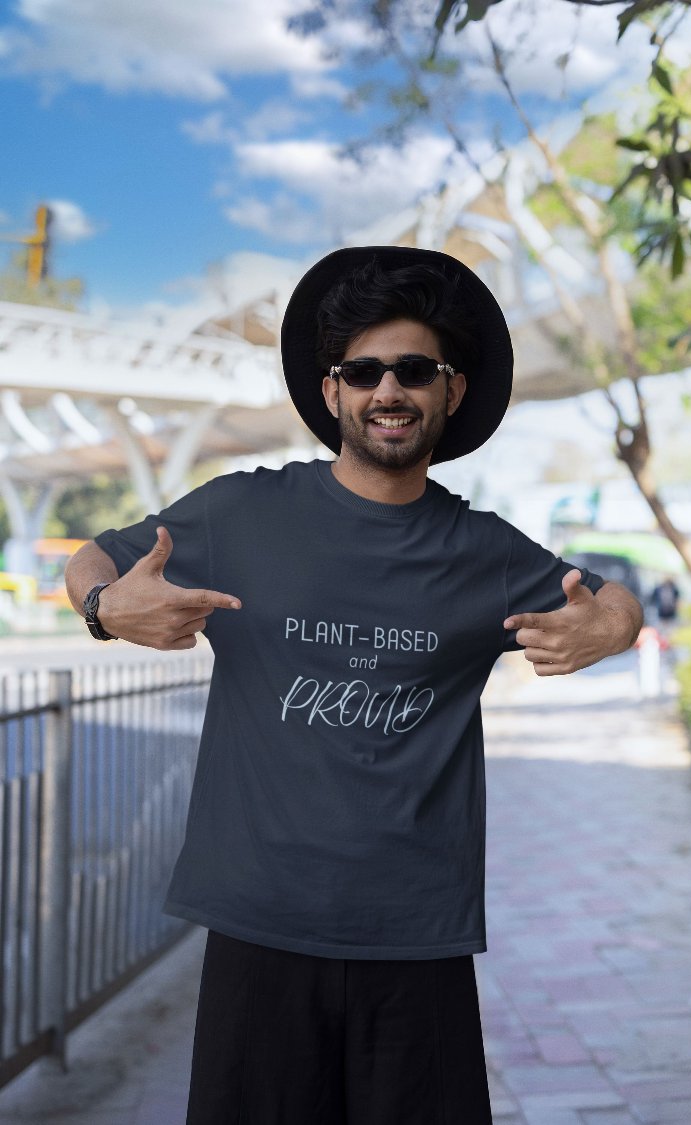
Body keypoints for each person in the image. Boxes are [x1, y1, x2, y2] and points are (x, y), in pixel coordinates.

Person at [65, 245, 643, 1125]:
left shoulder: (484, 551)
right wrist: (106, 605)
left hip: (418, 942)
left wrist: (612, 624)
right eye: (363, 370)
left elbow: (614, 602)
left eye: (415, 369)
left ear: (451, 390)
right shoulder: (242, 512)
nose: (388, 390)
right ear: (331, 390)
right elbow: (94, 556)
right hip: (258, 931)